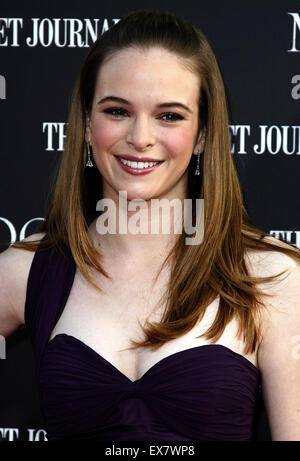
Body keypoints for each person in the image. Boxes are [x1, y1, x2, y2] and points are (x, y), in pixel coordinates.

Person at [1, 9, 300, 442]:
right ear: (87, 124)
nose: (140, 137)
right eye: (118, 110)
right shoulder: (28, 272)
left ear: (201, 135)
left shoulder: (271, 278)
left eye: (169, 116)